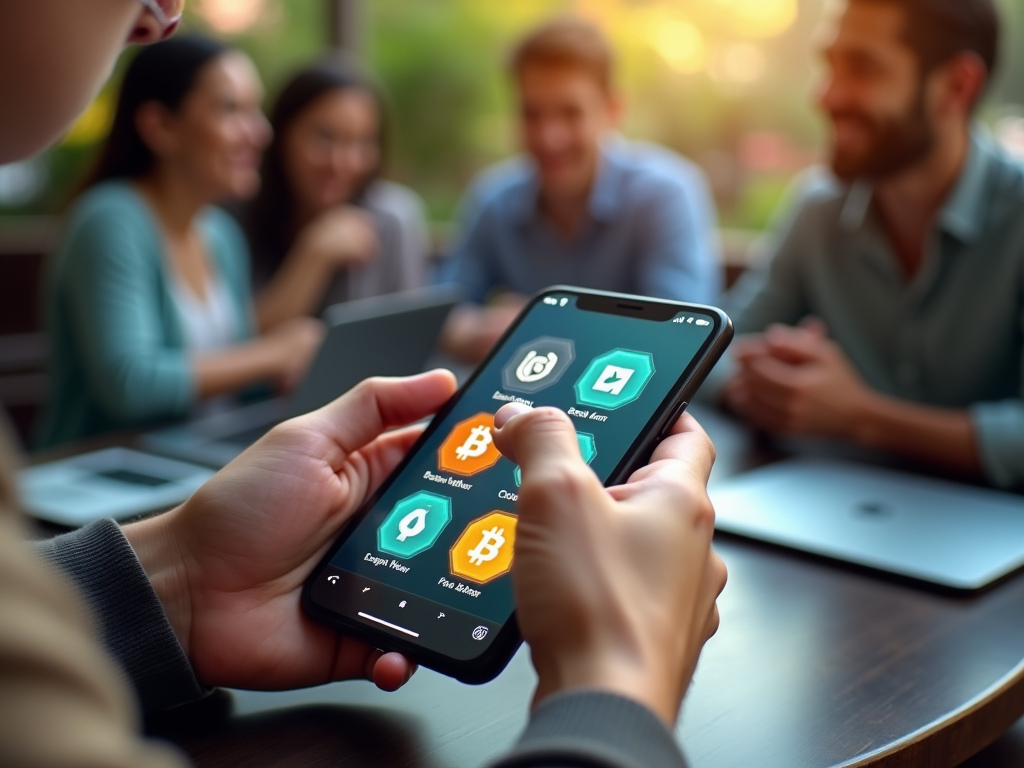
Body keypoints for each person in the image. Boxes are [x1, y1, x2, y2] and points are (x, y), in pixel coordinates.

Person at [0, 7, 726, 768]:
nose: (163, 10)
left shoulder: (660, 194)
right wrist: (621, 675)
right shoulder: (123, 220)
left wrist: (180, 581)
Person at [721, 0, 1024, 490]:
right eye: (830, 66)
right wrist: (779, 386)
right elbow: (716, 360)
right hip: (830, 518)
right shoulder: (815, 209)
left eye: (862, 68)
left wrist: (861, 417)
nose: (826, 96)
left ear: (956, 86)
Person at [36, 34, 325, 449]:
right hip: (106, 483)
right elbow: (130, 385)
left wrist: (296, 371)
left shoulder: (220, 234)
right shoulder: (110, 220)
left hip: (202, 463)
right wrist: (277, 353)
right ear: (161, 126)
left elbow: (236, 382)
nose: (259, 133)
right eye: (231, 110)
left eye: (255, 109)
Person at [442, 17, 722, 363]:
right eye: (532, 114)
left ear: (612, 110)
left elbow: (681, 336)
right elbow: (444, 315)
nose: (549, 137)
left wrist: (536, 328)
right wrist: (475, 331)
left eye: (570, 113)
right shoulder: (493, 198)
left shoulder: (665, 194)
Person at [245, 61, 430, 328]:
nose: (341, 162)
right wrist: (314, 253)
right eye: (325, 137)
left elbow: (408, 335)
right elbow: (241, 343)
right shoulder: (235, 214)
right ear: (281, 133)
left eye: (361, 142)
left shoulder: (393, 218)